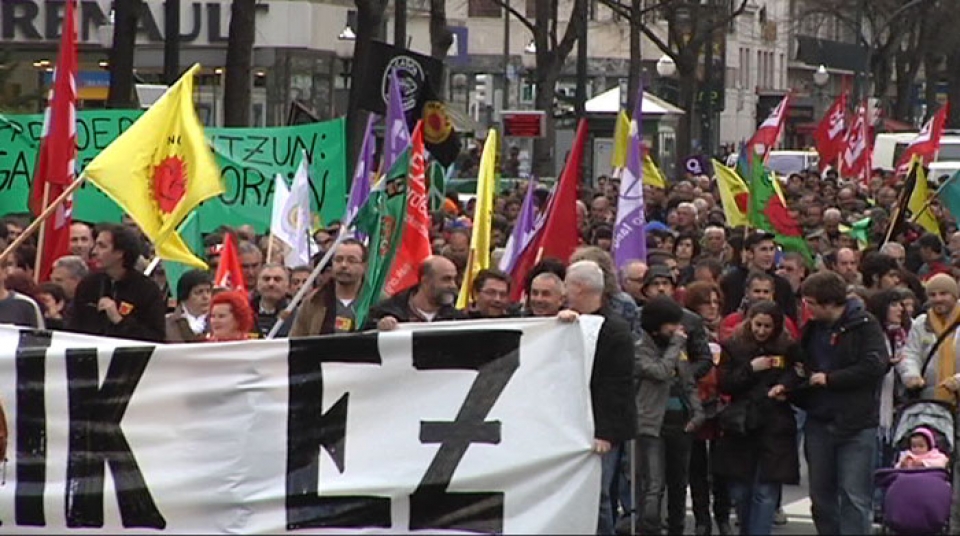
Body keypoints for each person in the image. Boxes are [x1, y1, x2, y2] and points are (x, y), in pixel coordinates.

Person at [784, 271, 888, 535]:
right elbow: (801, 364)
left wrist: (831, 379)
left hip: (856, 424)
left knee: (854, 497)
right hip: (819, 421)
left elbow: (874, 365)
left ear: (829, 303)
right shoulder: (812, 330)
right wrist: (790, 386)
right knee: (821, 498)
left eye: (811, 303)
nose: (806, 308)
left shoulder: (865, 325)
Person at [559, 260, 637, 535]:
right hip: (571, 422)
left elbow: (617, 386)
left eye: (567, 284)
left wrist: (605, 434)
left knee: (598, 496)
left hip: (600, 430)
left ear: (579, 288)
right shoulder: (567, 321)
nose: (563, 291)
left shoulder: (614, 330)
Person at [716, 301, 801, 536]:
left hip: (775, 424)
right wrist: (750, 369)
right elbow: (725, 383)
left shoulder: (788, 348)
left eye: (767, 326)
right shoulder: (733, 346)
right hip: (741, 425)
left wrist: (785, 386)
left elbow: (797, 374)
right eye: (758, 325)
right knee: (741, 491)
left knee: (765, 491)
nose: (761, 331)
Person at [633, 295, 704, 536]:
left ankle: (677, 528)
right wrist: (675, 346)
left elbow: (688, 382)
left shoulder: (678, 349)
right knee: (653, 485)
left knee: (678, 484)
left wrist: (697, 413)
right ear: (655, 328)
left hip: (680, 423)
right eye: (671, 325)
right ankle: (649, 529)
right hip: (652, 425)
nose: (677, 330)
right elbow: (661, 371)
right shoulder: (640, 351)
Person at [684, 282, 731, 536]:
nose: (712, 307)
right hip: (696, 403)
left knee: (721, 467)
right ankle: (703, 519)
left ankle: (723, 516)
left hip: (722, 403)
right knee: (697, 467)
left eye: (715, 302)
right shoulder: (688, 331)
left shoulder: (729, 330)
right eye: (706, 302)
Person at [68, 224, 165, 342]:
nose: (94, 251)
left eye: (102, 246)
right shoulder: (89, 284)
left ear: (120, 252)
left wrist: (119, 320)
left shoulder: (147, 290)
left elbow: (155, 337)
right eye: (95, 245)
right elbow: (72, 328)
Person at [899, 273, 960, 403]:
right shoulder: (921, 323)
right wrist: (911, 375)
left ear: (955, 296)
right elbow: (910, 353)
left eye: (944, 294)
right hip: (929, 400)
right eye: (933, 295)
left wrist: (957, 380)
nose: (938, 299)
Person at [290, 239, 366, 336]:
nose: (344, 265)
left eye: (351, 260)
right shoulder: (313, 301)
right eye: (338, 259)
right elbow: (296, 341)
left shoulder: (376, 300)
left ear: (364, 265)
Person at [368, 255, 466, 330]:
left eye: (454, 279)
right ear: (425, 281)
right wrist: (380, 326)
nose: (453, 285)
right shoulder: (387, 311)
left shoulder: (458, 318)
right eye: (446, 279)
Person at [866, 288, 912, 443]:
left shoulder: (902, 336)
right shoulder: (872, 337)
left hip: (896, 407)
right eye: (894, 305)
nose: (900, 309)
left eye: (900, 304)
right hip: (874, 408)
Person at [720, 231, 797, 321]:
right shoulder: (731, 281)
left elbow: (790, 319)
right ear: (749, 253)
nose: (769, 254)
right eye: (763, 249)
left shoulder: (782, 285)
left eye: (772, 249)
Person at [165, 269, 213, 343]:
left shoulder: (219, 321)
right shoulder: (167, 324)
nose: (205, 296)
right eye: (199, 292)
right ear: (184, 295)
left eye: (208, 291)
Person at [252, 264, 291, 338]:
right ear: (257, 283)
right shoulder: (246, 311)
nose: (271, 284)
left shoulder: (295, 314)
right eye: (266, 279)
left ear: (287, 285)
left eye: (277, 279)